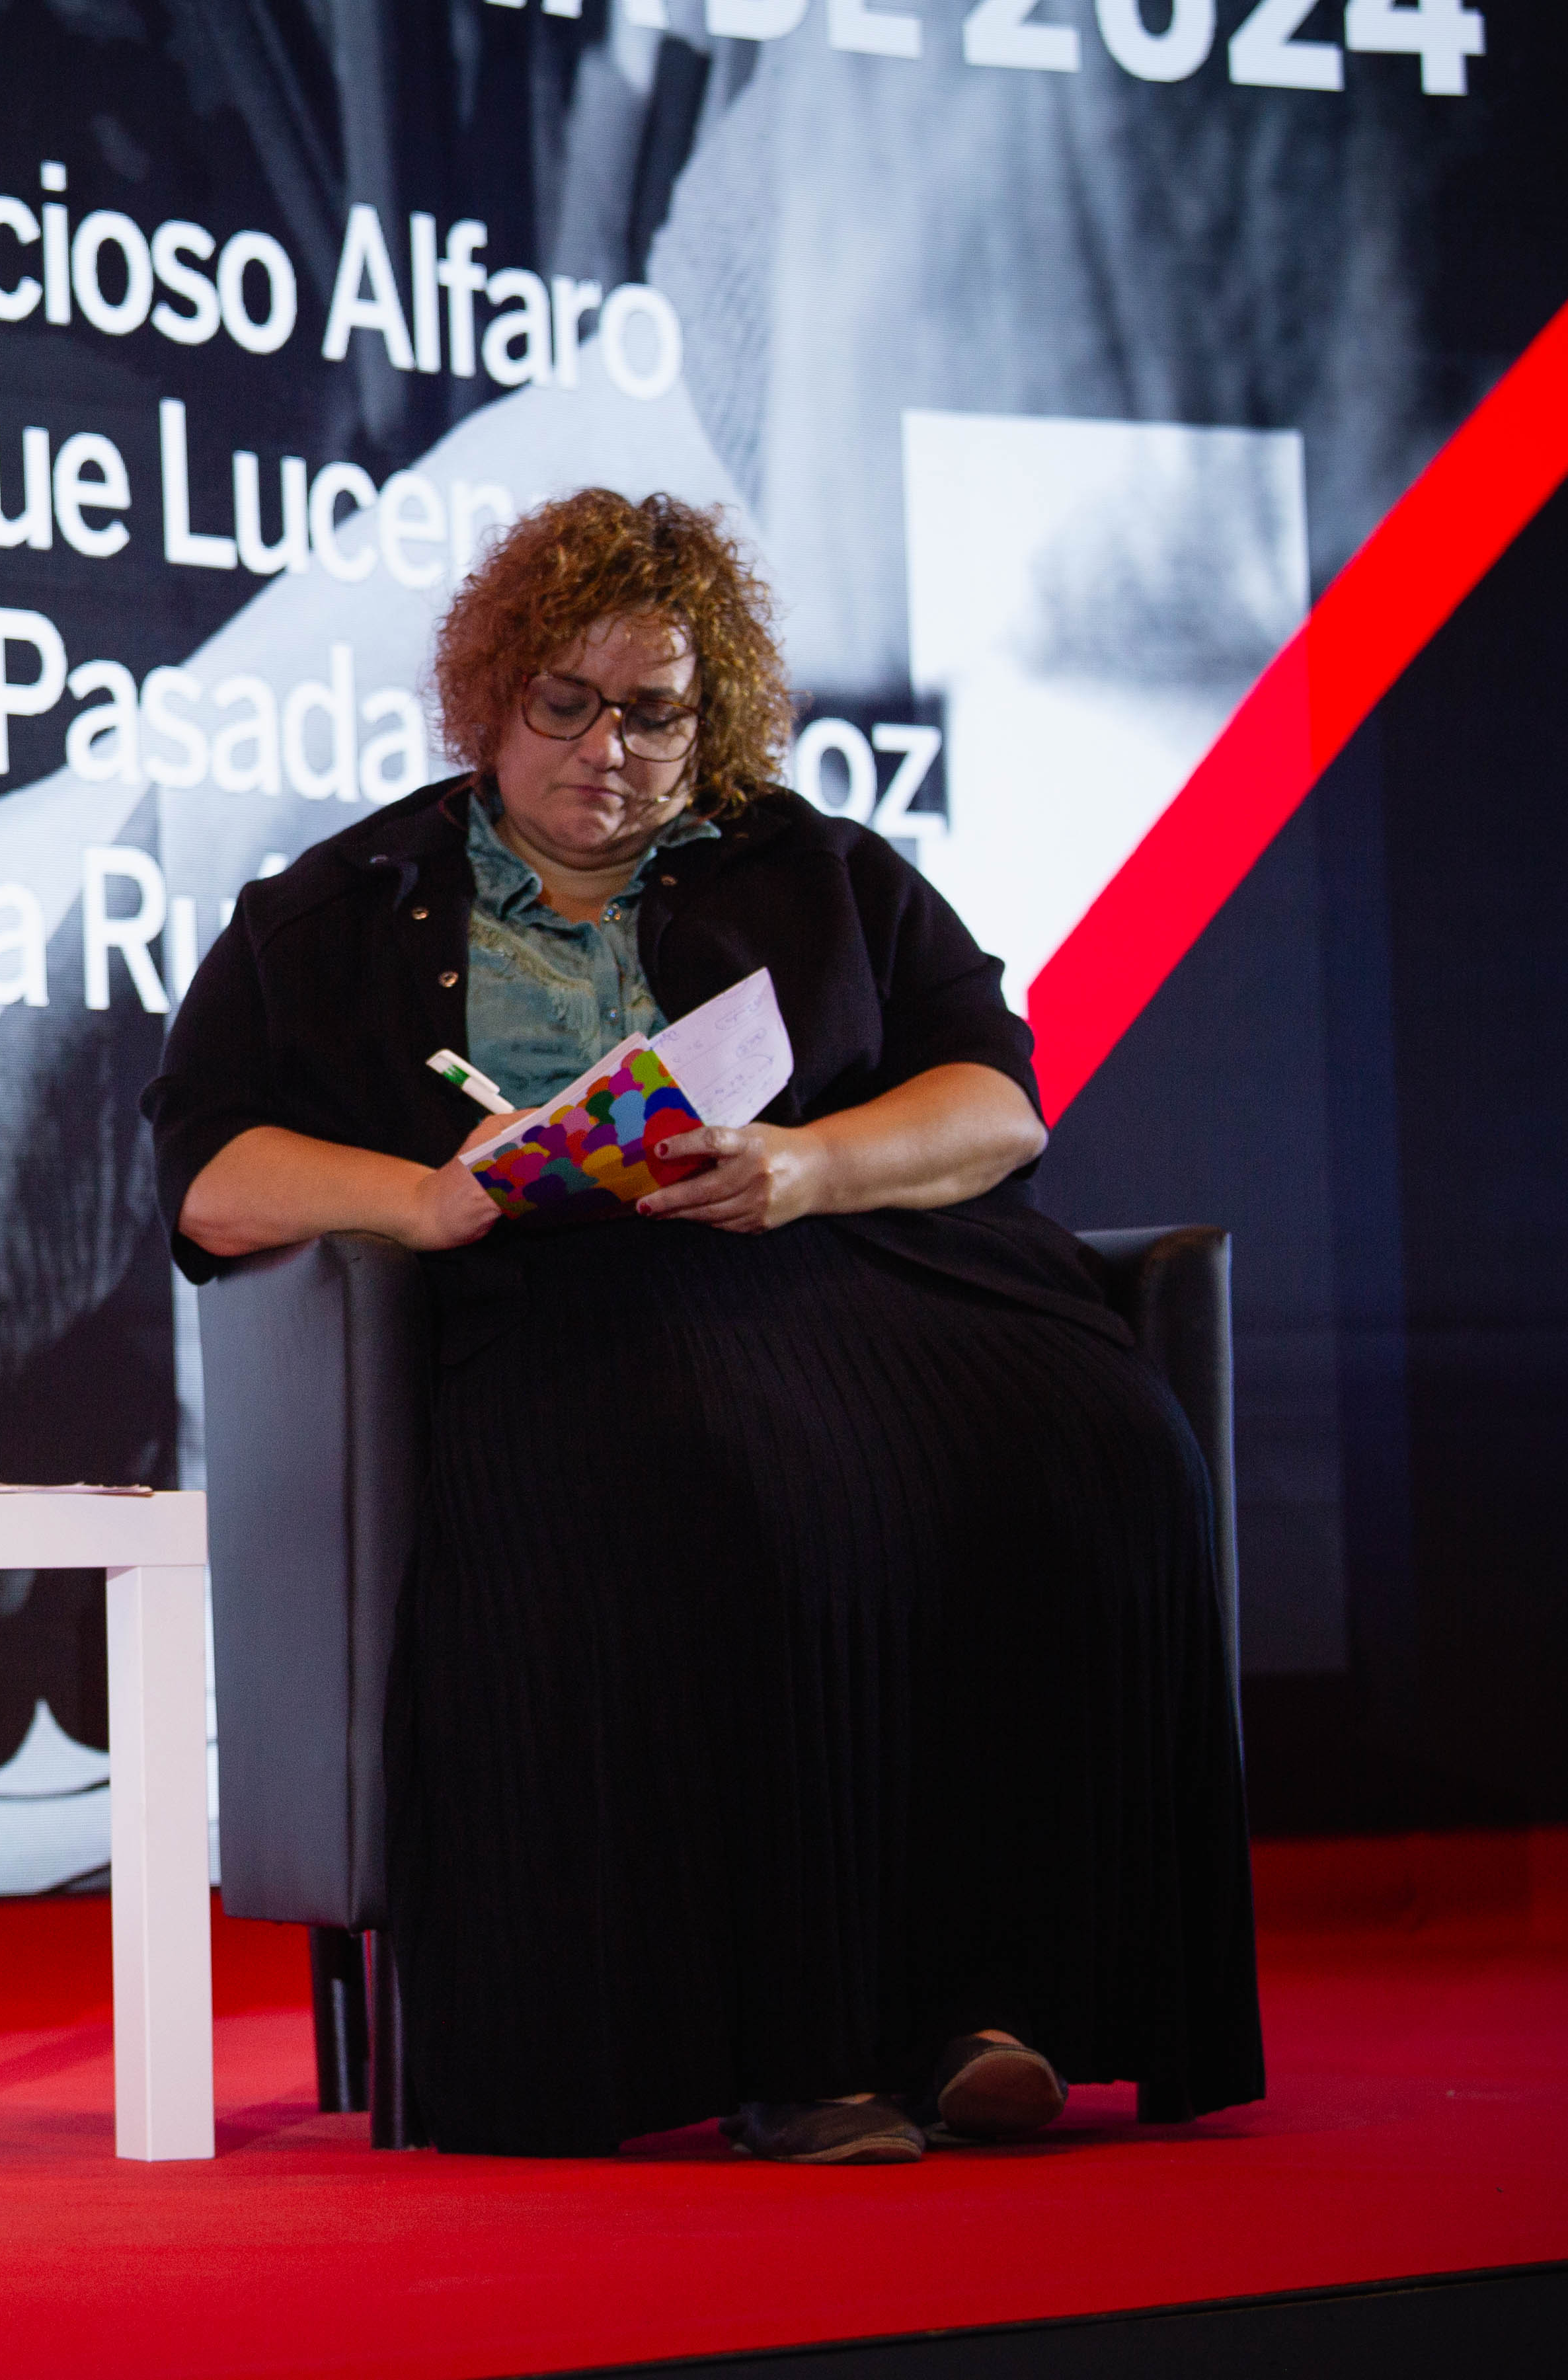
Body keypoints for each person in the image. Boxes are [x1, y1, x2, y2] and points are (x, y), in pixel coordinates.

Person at [144, 488, 1262, 2164]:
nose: (608, 749)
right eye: (567, 705)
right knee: (731, 1467)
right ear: (493, 697)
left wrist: (809, 1162)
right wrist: (426, 1200)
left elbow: (998, 1103)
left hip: (851, 1270)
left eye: (654, 712)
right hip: (556, 1314)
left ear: (709, 713)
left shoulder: (816, 868)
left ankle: (993, 2005)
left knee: (1104, 1447)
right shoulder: (343, 908)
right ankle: (798, 2044)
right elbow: (211, 1173)